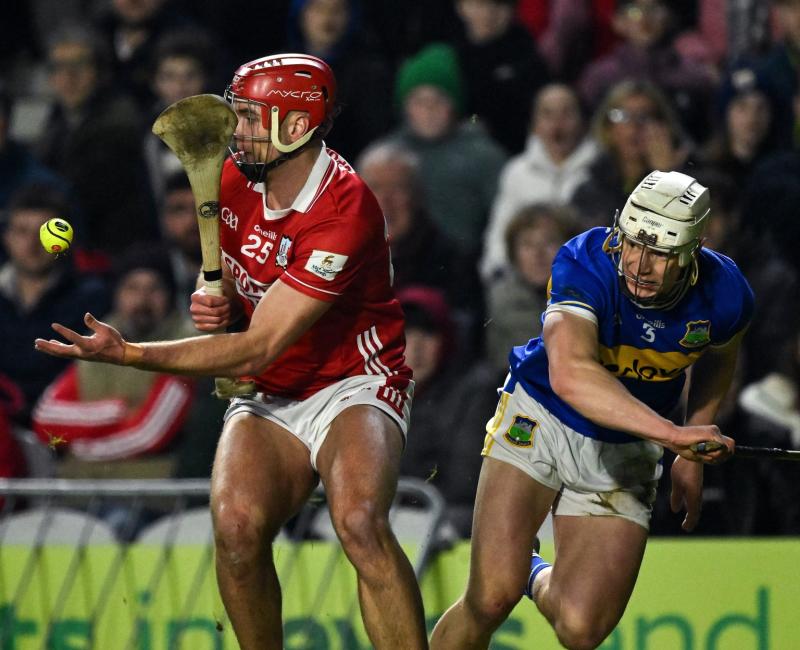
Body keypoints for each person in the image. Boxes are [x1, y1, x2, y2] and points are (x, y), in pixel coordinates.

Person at [34, 53, 427, 650]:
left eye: (248, 117)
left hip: (353, 380)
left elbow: (259, 343)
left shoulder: (343, 210)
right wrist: (208, 293)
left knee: (359, 524)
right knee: (237, 532)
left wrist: (131, 354)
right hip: (270, 386)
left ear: (297, 127)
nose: (233, 130)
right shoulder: (231, 178)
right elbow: (234, 270)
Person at [430, 170, 754, 650]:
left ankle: (530, 572)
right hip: (541, 415)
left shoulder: (726, 293)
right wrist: (673, 436)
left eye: (660, 253)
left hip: (629, 445)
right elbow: (571, 375)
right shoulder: (586, 260)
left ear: (692, 254)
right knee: (489, 599)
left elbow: (719, 353)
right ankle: (513, 573)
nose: (639, 265)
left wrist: (689, 441)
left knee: (581, 629)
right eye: (632, 244)